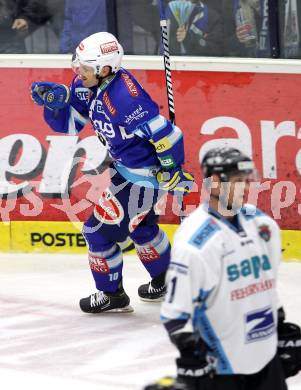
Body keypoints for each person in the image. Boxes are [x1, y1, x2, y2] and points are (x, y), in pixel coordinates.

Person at [30, 32, 194, 314]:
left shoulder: (124, 99)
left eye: (83, 67)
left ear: (104, 69)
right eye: (77, 65)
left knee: (96, 232)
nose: (77, 72)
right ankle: (167, 281)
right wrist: (55, 104)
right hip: (125, 171)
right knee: (142, 229)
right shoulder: (88, 82)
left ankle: (112, 294)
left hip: (143, 179)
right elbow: (69, 126)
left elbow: (168, 134)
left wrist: (171, 168)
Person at [145, 147, 301, 389]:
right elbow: (175, 313)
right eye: (239, 181)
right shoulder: (195, 242)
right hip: (223, 370)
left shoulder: (263, 226)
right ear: (216, 183)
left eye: (247, 180)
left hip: (267, 362)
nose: (247, 187)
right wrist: (190, 355)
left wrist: (280, 325)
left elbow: (267, 286)